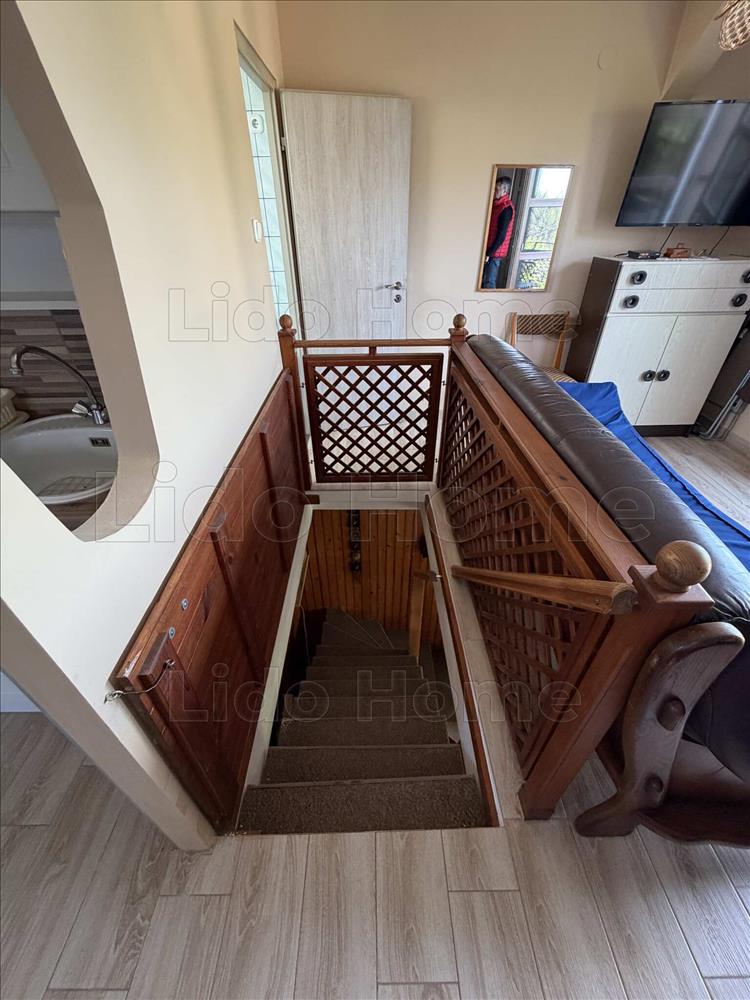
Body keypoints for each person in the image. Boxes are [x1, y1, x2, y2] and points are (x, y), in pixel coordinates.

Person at [482, 174, 515, 289]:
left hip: (495, 252)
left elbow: (501, 235)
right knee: (484, 280)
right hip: (490, 249)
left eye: (497, 189)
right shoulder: (496, 204)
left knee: (488, 282)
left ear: (505, 191)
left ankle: (489, 300)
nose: (494, 191)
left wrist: (489, 253)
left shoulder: (506, 209)